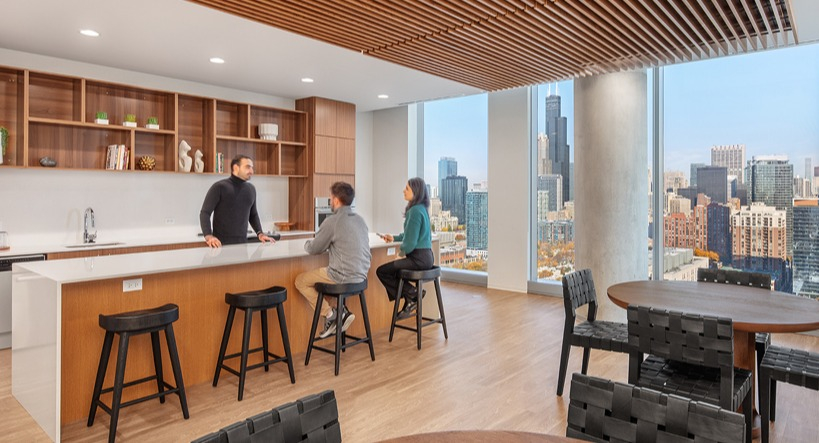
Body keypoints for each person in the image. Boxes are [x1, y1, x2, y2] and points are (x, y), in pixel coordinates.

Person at [295, 182, 372, 338]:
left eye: (331, 197)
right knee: (327, 282)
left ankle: (331, 314)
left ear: (336, 200)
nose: (330, 201)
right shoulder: (360, 220)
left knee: (300, 281)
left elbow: (314, 249)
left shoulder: (333, 221)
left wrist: (305, 243)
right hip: (362, 277)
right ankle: (341, 312)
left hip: (342, 277)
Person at [377, 177, 433, 320]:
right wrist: (394, 238)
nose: (404, 190)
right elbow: (409, 235)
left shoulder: (414, 211)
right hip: (427, 257)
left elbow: (410, 243)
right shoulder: (422, 209)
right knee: (395, 271)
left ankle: (413, 293)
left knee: (382, 271)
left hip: (418, 259)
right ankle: (411, 296)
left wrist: (400, 254)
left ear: (416, 191)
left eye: (407, 188)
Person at [199, 154, 275, 247]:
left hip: (242, 244)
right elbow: (205, 213)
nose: (251, 171)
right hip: (220, 245)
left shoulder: (251, 189)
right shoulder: (219, 187)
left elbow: (253, 215)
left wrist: (260, 233)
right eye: (247, 167)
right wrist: (209, 236)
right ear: (236, 168)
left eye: (252, 167)